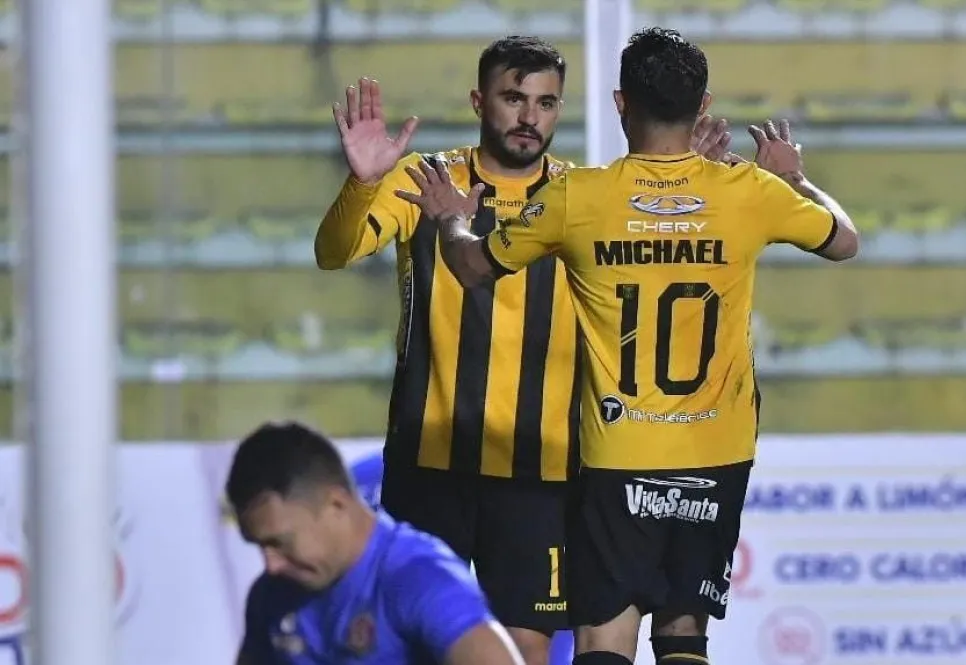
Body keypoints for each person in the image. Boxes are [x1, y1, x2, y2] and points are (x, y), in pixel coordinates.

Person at [394, 28, 859, 665]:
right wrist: (795, 179)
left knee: (603, 636)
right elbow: (845, 240)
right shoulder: (748, 192)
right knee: (684, 630)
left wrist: (450, 216)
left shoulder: (578, 198)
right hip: (717, 450)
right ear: (703, 106)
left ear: (620, 104)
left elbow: (473, 269)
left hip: (617, 453)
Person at [314, 35, 735, 665]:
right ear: (481, 101)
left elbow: (668, 243)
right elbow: (335, 252)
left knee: (525, 653)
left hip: (542, 469)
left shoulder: (583, 196)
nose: (528, 116)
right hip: (431, 462)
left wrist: (684, 172)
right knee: (416, 645)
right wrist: (361, 183)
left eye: (545, 103)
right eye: (514, 98)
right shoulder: (428, 183)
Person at [228, 421, 525, 665]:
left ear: (335, 504)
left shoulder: (419, 578)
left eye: (279, 542)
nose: (271, 564)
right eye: (258, 545)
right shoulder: (270, 597)